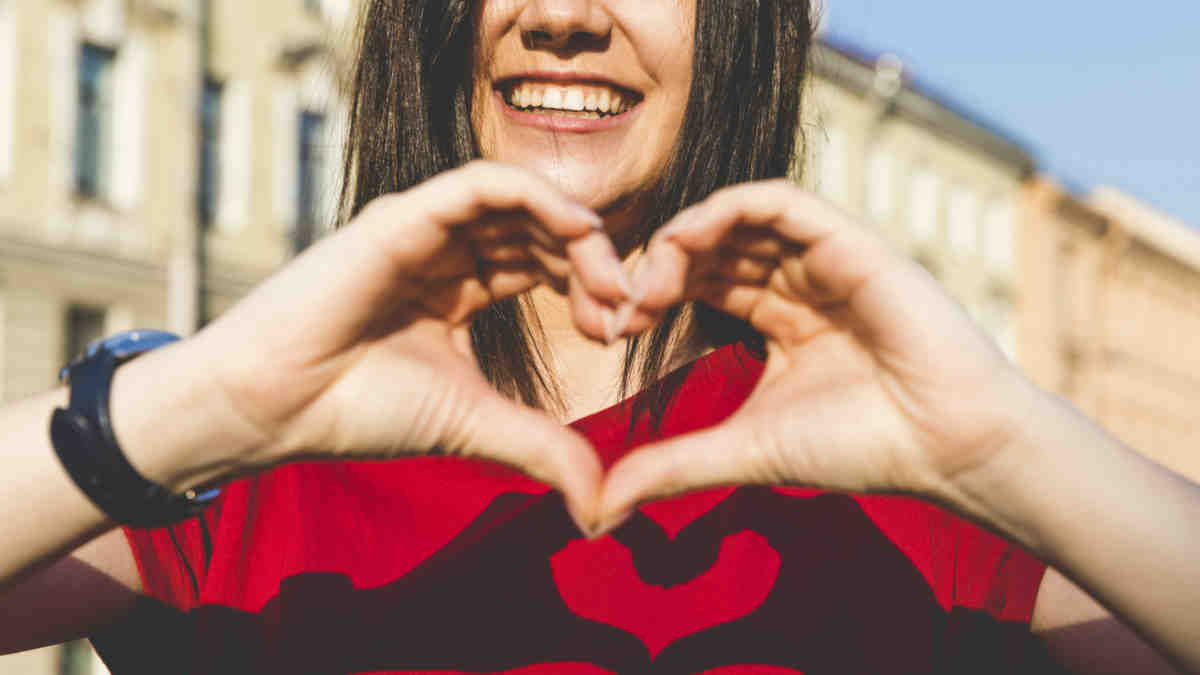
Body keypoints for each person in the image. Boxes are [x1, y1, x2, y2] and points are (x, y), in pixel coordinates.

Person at [1, 0, 1197, 673]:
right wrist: (195, 407)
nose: (564, 16)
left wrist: (1003, 444)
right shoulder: (239, 446)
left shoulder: (897, 466)